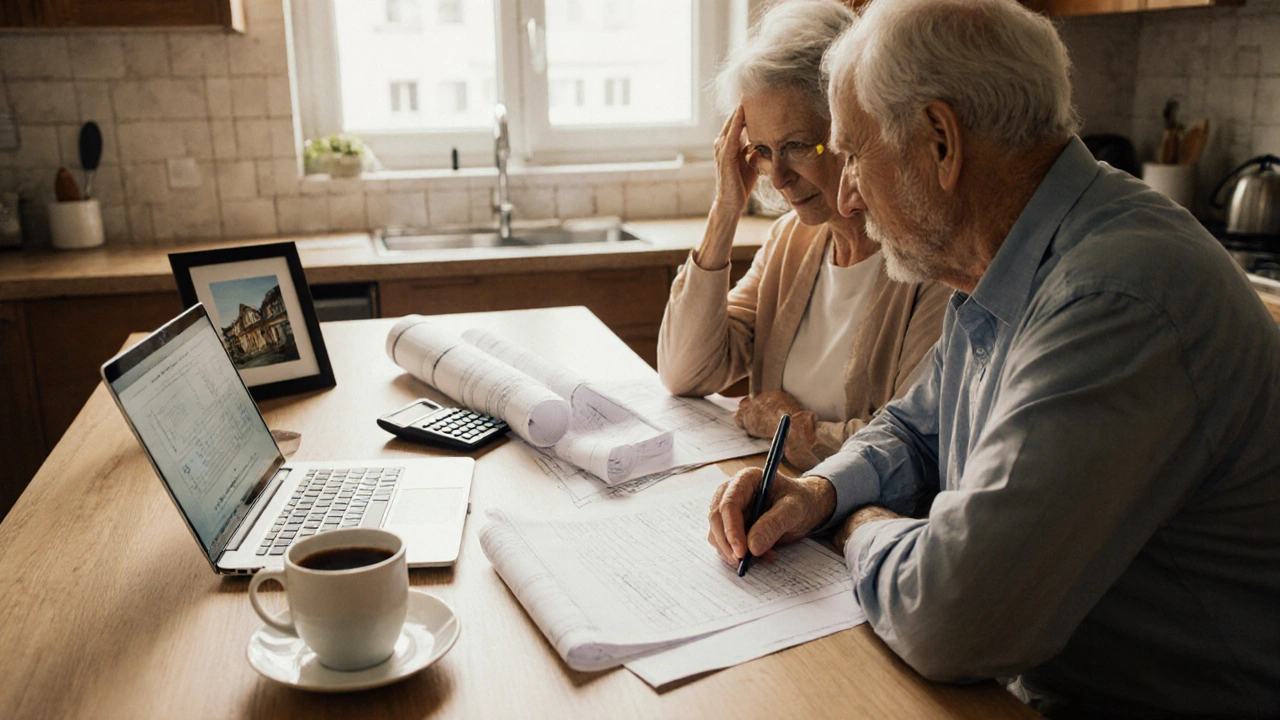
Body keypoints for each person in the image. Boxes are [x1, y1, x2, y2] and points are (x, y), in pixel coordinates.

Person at [706, 0, 1280, 717]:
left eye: (853, 153)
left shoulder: (1112, 297)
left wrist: (858, 525)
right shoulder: (1003, 262)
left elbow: (951, 618)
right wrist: (815, 494)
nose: (845, 189)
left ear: (940, 141)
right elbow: (917, 429)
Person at [657, 0, 948, 472]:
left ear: (852, 130)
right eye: (763, 151)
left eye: (796, 145)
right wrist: (725, 210)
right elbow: (684, 371)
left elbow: (911, 445)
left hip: (856, 527)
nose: (779, 176)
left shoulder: (930, 260)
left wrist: (786, 426)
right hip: (774, 503)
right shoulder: (790, 241)